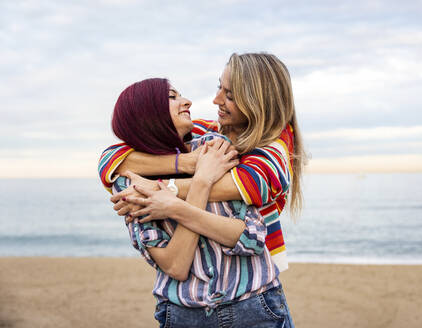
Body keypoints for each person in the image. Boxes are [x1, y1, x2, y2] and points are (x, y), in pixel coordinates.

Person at [107, 77, 295, 327]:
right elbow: (175, 265)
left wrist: (172, 204)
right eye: (172, 97)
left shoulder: (213, 147)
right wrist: (201, 183)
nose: (187, 101)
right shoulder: (128, 181)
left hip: (255, 306)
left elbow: (251, 237)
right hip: (184, 316)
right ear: (147, 113)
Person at [101, 52, 307, 273]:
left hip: (255, 277)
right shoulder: (208, 135)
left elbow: (251, 185)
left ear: (257, 101)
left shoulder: (275, 147)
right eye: (220, 88)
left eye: (229, 95)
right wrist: (185, 162)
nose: (216, 100)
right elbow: (110, 159)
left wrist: (159, 189)